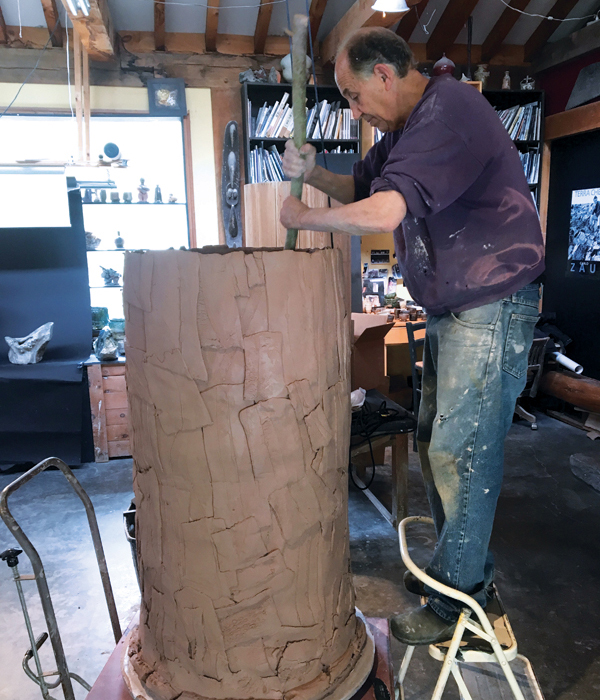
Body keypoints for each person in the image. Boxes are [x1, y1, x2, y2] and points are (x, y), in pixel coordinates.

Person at [280, 28, 545, 645]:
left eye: (353, 95)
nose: (353, 110)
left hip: (493, 298)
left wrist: (303, 217)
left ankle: (462, 609)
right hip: (457, 303)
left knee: (463, 451)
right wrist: (314, 172)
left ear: (384, 75)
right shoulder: (405, 128)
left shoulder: (448, 112)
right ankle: (462, 579)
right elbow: (363, 190)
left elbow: (385, 213)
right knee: (435, 442)